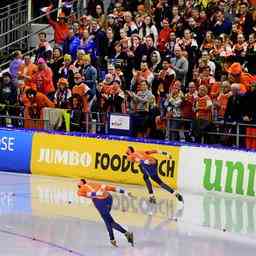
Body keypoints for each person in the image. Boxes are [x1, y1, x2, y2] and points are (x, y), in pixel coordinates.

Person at [77, 179, 134, 247]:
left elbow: (105, 188)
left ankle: (126, 234)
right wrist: (124, 191)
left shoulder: (88, 185)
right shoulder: (85, 187)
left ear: (82, 182)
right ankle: (112, 239)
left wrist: (124, 191)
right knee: (107, 220)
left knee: (109, 221)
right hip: (108, 198)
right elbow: (105, 188)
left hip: (100, 203)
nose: (78, 182)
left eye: (79, 181)